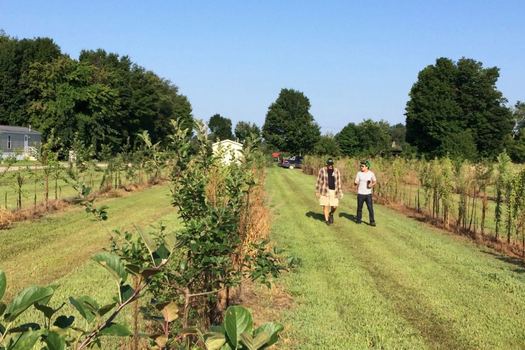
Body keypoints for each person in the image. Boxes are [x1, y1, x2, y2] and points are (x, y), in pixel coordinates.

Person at [315, 158, 343, 225]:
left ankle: (331, 213)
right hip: (325, 191)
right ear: (326, 164)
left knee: (335, 206)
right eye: (329, 164)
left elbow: (339, 182)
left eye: (331, 164)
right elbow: (318, 180)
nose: (330, 165)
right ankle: (327, 220)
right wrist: (317, 191)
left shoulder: (336, 171)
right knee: (325, 206)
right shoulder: (322, 170)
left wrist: (340, 191)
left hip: (334, 191)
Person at [354, 160, 377, 226]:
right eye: (360, 166)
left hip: (368, 194)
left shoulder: (371, 173)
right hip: (360, 193)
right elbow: (356, 182)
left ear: (367, 167)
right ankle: (358, 220)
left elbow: (375, 181)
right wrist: (355, 183)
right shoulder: (359, 173)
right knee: (359, 208)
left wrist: (371, 185)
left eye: (362, 166)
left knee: (370, 208)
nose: (361, 167)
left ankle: (372, 221)